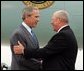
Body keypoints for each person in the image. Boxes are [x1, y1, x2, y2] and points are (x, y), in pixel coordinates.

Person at [13, 10, 78, 70]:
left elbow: (45, 52)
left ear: (58, 20)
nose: (51, 22)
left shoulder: (63, 35)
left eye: (52, 20)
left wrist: (23, 51)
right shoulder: (67, 32)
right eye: (36, 17)